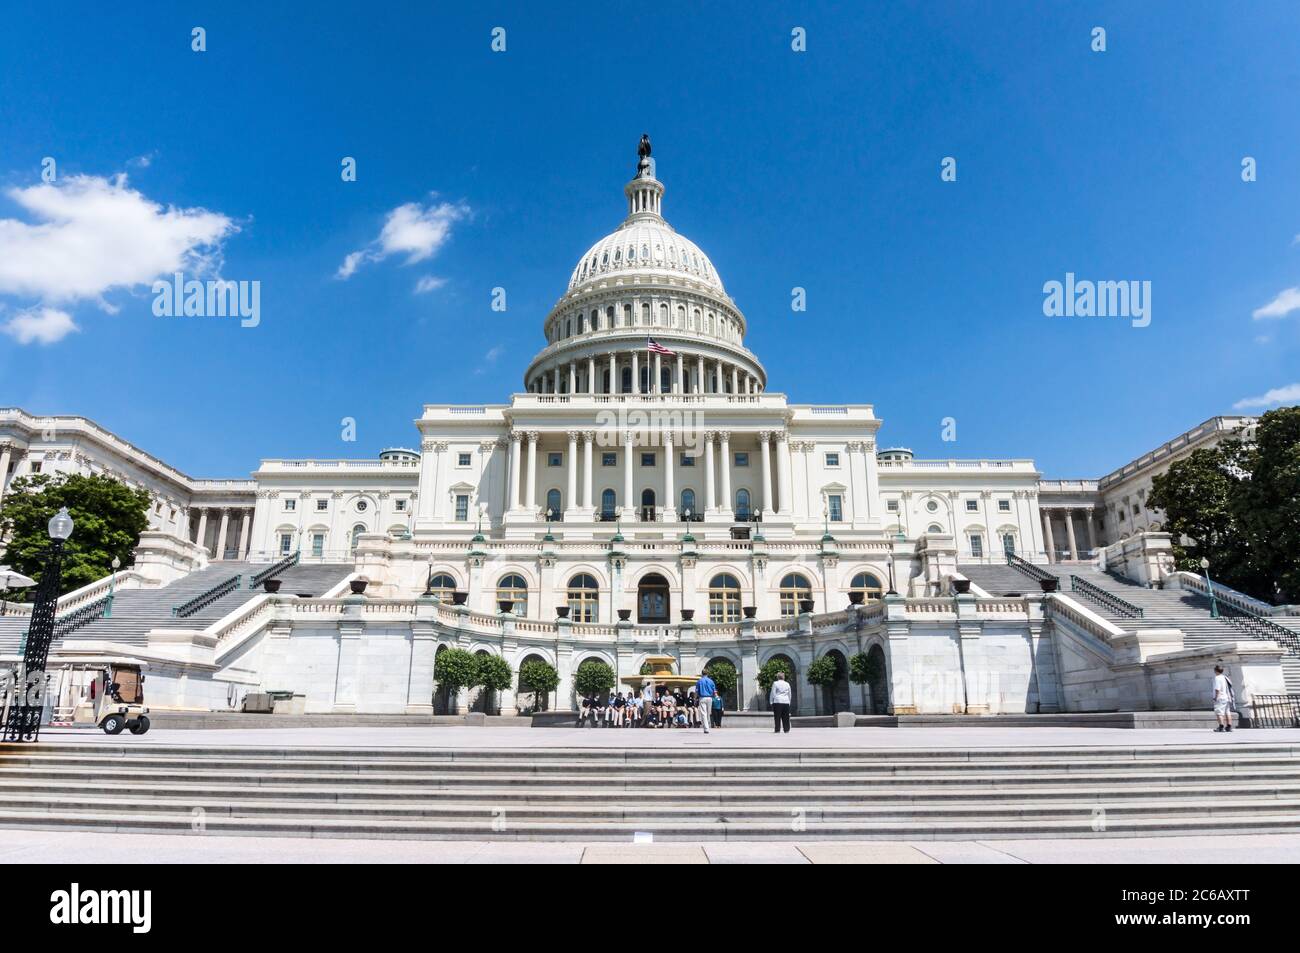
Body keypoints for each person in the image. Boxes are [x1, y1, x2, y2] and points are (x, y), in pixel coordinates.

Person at [1213, 664, 1235, 733]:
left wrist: (1216, 697)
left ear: (1216, 671)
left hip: (1220, 697)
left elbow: (1217, 689)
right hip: (1226, 697)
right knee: (1227, 712)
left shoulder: (1217, 678)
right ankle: (1229, 726)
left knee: (1219, 712)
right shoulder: (1225, 677)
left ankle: (1221, 727)